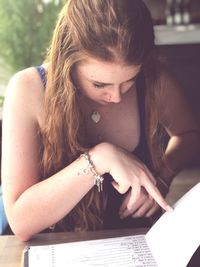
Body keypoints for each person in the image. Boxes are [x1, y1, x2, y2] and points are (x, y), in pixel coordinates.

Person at [1, 0, 200, 241]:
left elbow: (190, 134)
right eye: (99, 84)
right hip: (46, 250)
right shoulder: (29, 89)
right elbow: (20, 221)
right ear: (68, 63)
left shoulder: (154, 79)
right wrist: (99, 158)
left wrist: (160, 178)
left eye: (129, 80)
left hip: (130, 246)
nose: (116, 97)